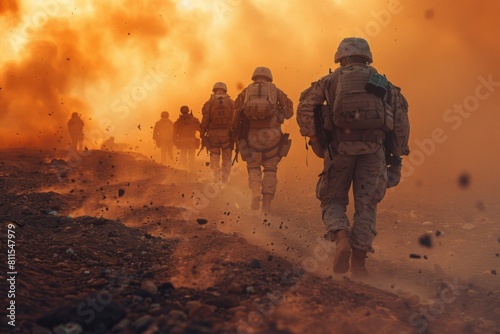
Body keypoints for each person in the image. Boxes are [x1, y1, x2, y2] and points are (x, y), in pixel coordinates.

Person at [296, 37, 410, 278]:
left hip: (339, 149)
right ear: (367, 57)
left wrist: (314, 139)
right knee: (366, 205)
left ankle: (340, 237)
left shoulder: (329, 80)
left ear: (341, 57)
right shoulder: (384, 84)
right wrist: (397, 157)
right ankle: (359, 263)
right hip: (373, 150)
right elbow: (400, 122)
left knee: (332, 199)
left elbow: (305, 107)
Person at [233, 66, 294, 211]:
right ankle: (267, 203)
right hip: (273, 135)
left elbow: (236, 110)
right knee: (270, 169)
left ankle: (255, 193)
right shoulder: (276, 91)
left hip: (252, 135)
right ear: (269, 76)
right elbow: (289, 113)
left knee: (253, 166)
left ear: (254, 76)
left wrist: (236, 132)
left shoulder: (246, 91)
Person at [200, 82, 235, 183]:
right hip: (227, 135)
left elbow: (205, 119)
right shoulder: (231, 102)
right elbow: (235, 118)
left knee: (215, 155)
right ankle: (225, 179)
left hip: (213, 135)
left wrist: (202, 134)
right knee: (227, 158)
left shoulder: (210, 102)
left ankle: (216, 175)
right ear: (225, 90)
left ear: (214, 90)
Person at [173, 106, 201, 172]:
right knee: (191, 156)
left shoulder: (178, 121)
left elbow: (174, 133)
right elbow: (200, 128)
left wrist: (175, 142)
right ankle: (191, 170)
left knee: (183, 155)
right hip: (191, 140)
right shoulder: (193, 119)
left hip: (182, 140)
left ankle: (184, 170)